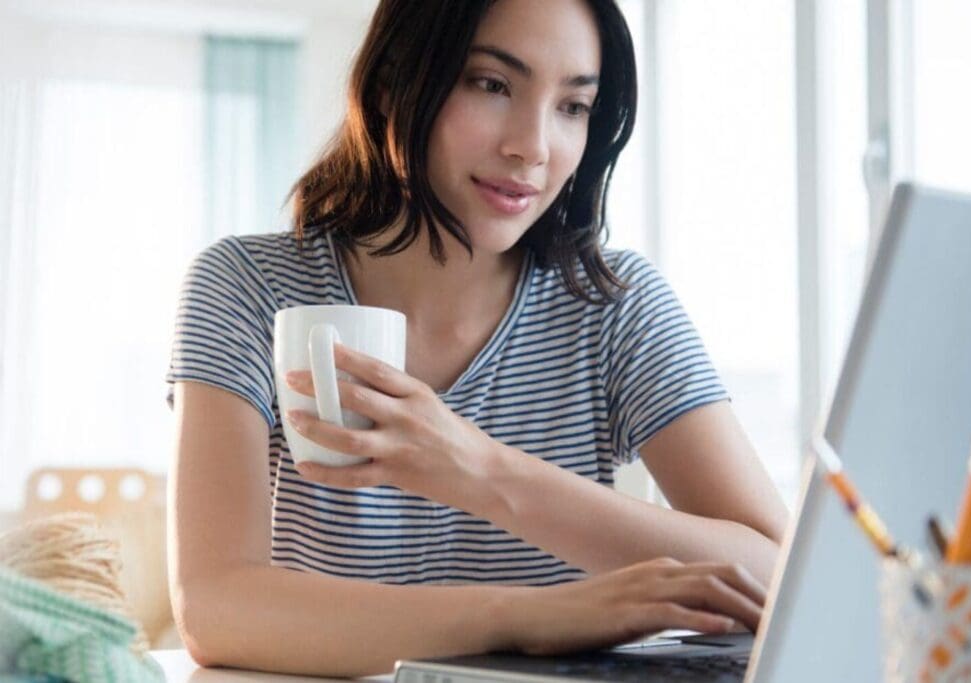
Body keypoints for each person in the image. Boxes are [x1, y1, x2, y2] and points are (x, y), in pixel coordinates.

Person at [166, 0, 789, 677]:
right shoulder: (247, 286)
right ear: (392, 84)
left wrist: (479, 468)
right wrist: (533, 617)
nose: (534, 146)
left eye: (573, 107)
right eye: (492, 85)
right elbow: (218, 605)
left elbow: (780, 570)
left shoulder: (613, 305)